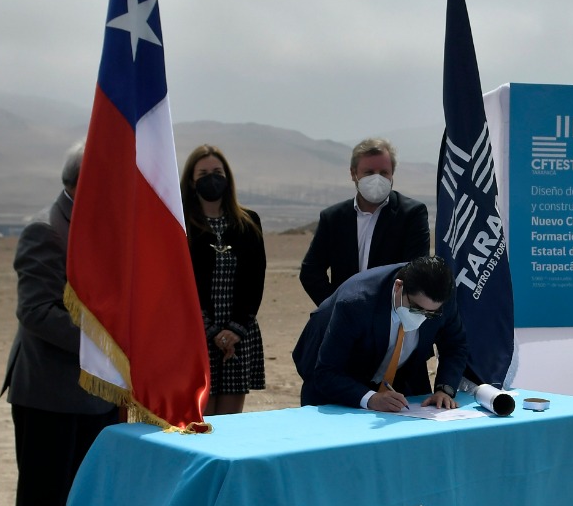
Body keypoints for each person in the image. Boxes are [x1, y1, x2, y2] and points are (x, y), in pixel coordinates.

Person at [1, 141, 120, 506]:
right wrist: (107, 347)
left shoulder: (104, 229)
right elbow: (36, 312)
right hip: (49, 393)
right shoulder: (45, 230)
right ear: (79, 182)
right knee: (44, 502)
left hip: (97, 394)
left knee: (86, 499)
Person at [293, 256, 468, 412]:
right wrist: (370, 398)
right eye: (416, 308)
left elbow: (455, 345)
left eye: (431, 313)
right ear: (399, 286)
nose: (422, 317)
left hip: (401, 376)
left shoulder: (442, 295)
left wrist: (444, 390)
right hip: (338, 376)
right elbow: (326, 373)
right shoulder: (356, 303)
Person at [180, 144, 267, 415]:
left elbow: (255, 279)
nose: (212, 179)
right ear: (191, 181)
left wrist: (234, 330)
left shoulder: (248, 222)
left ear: (227, 177)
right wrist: (210, 330)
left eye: (217, 172)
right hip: (195, 334)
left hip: (238, 332)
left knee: (230, 424)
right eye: (203, 174)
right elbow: (181, 285)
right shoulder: (181, 224)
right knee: (199, 421)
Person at [299, 138, 430, 306]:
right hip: (344, 315)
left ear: (392, 174)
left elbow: (415, 271)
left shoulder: (411, 215)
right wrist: (334, 307)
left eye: (384, 172)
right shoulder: (333, 218)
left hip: (390, 315)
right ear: (353, 173)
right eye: (369, 172)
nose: (377, 179)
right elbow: (310, 271)